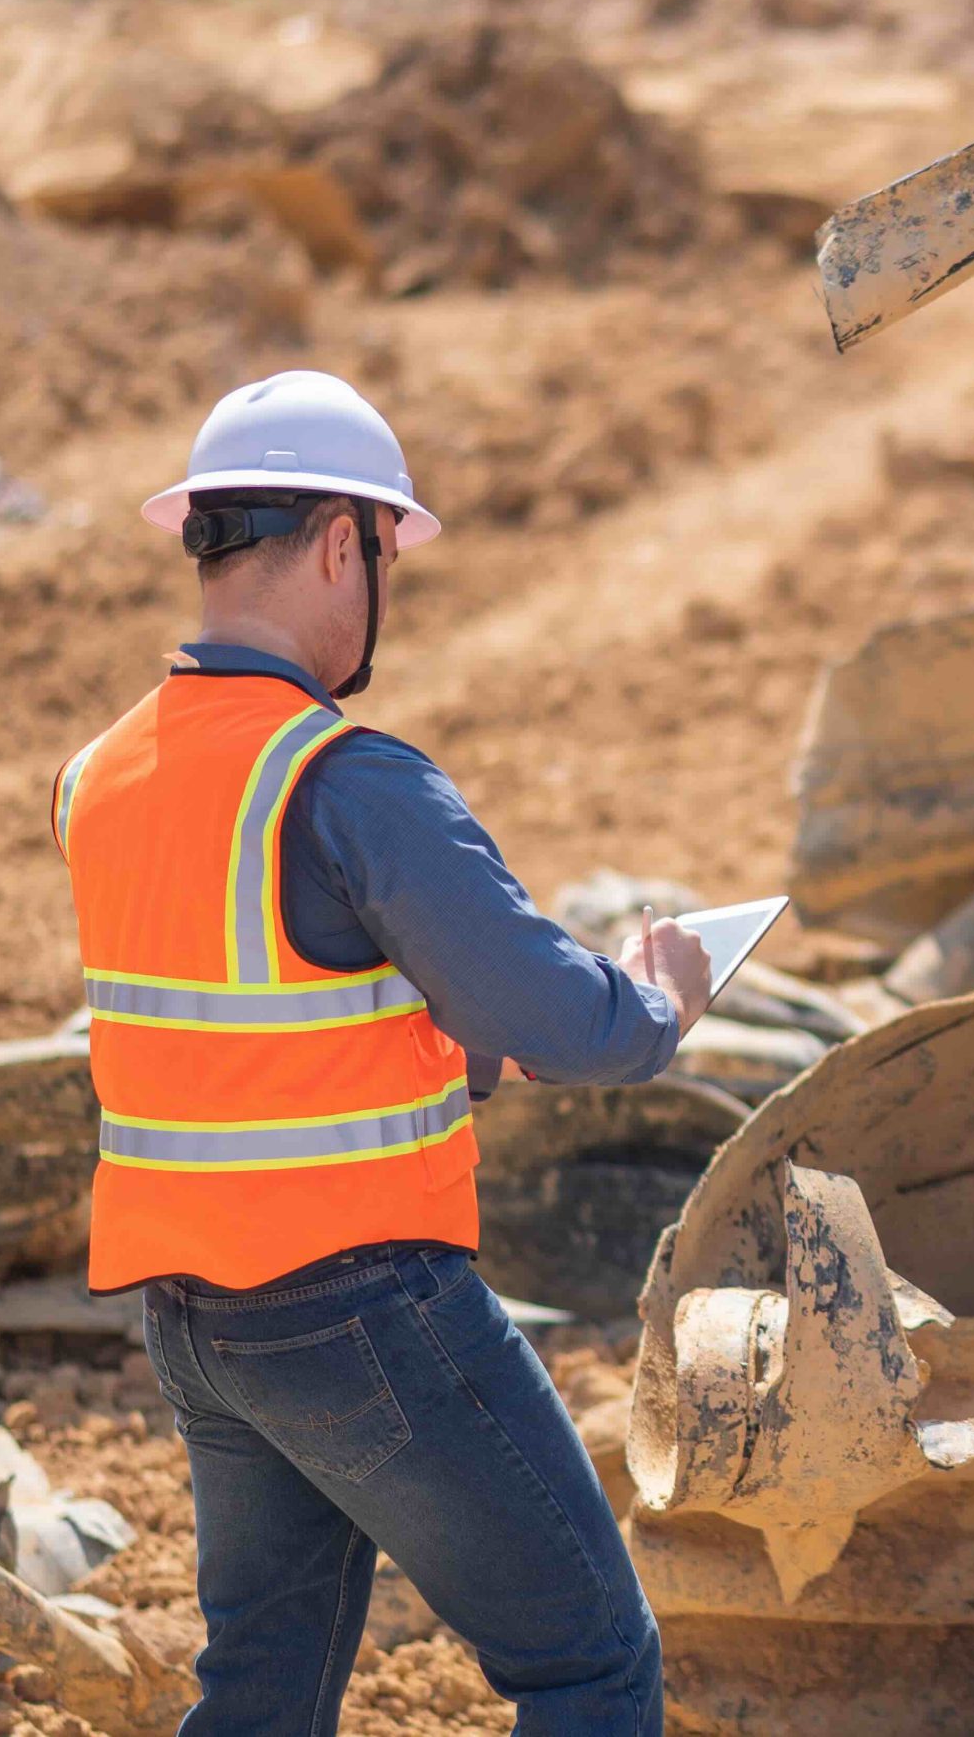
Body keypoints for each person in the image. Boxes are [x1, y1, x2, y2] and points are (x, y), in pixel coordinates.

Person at [51, 371, 710, 1736]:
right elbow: (575, 1022)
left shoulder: (99, 776)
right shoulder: (347, 779)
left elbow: (234, 1019)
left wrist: (464, 1052)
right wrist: (657, 1000)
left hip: (197, 1317)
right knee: (593, 1666)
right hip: (361, 1303)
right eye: (387, 555)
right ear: (341, 544)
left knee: (263, 1687)